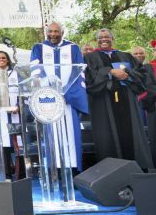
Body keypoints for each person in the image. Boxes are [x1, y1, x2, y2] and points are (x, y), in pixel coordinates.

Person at [84, 29, 153, 170]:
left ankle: (138, 170)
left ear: (112, 38)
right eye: (100, 37)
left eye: (107, 37)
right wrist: (109, 72)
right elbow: (88, 80)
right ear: (96, 40)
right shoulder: (89, 58)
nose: (104, 39)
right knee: (108, 140)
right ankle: (110, 172)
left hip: (127, 101)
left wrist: (127, 75)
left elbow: (143, 74)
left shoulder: (126, 56)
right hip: (103, 105)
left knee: (132, 138)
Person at [30, 22, 89, 171]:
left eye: (56, 31)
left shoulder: (73, 48)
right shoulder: (38, 48)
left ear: (62, 33)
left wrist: (67, 93)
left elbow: (79, 74)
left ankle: (73, 169)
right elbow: (36, 71)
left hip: (69, 99)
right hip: (49, 101)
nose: (53, 34)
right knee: (52, 136)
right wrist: (51, 92)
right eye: (50, 31)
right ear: (46, 32)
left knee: (71, 134)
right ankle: (55, 169)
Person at [0, 51, 22, 178]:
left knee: (19, 143)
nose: (1, 60)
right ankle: (7, 174)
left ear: (8, 60)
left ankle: (21, 173)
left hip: (16, 113)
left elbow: (23, 91)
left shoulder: (17, 73)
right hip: (1, 115)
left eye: (3, 58)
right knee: (4, 143)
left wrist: (20, 107)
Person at [132, 45, 156, 166]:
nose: (139, 56)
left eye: (141, 53)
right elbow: (149, 87)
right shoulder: (149, 67)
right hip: (150, 105)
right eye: (135, 54)